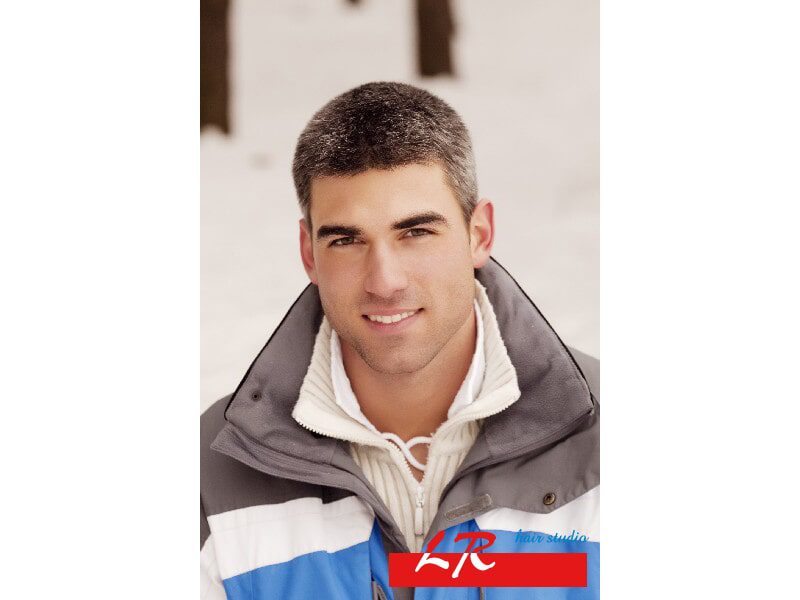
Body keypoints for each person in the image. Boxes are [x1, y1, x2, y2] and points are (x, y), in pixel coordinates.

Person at [200, 82, 599, 600]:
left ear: (478, 234)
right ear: (309, 253)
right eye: (346, 240)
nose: (384, 281)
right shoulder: (212, 470)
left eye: (416, 232)